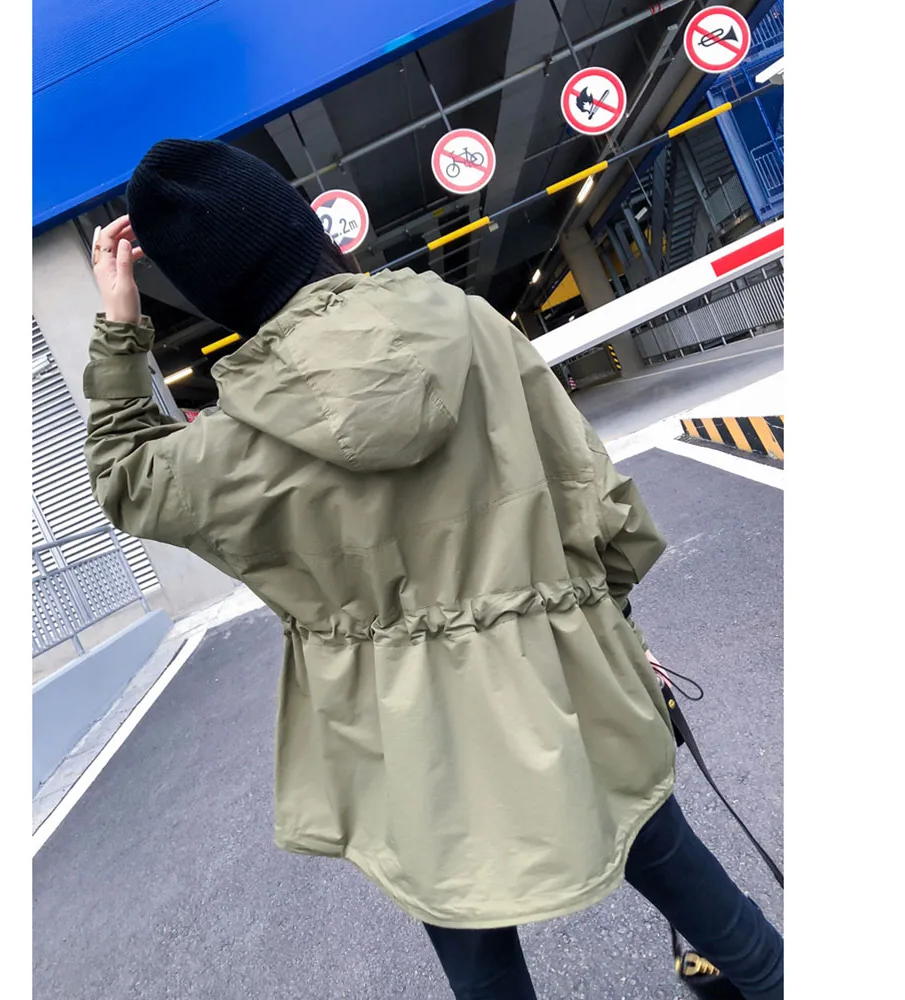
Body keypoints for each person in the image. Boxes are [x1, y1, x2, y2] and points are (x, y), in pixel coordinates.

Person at [83, 139, 783, 1000]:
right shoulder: (469, 324)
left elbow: (126, 476)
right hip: (568, 677)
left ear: (216, 295)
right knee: (696, 887)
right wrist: (620, 637)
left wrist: (121, 330)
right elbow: (593, 500)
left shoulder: (233, 450)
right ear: (304, 229)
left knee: (479, 960)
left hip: (408, 740)